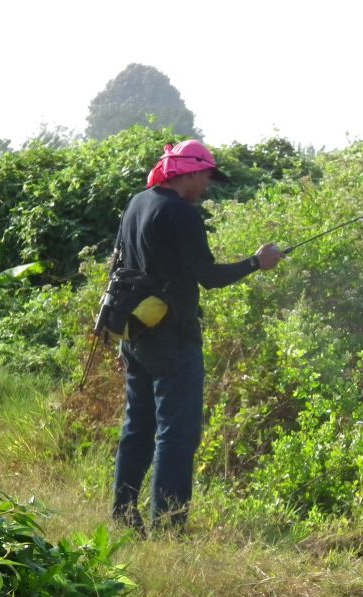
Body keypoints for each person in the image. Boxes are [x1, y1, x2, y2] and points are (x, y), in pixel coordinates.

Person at [111, 139, 283, 534]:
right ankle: (169, 526)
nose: (207, 184)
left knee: (138, 426)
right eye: (206, 175)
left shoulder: (137, 203)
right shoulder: (181, 214)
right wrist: (257, 262)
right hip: (173, 337)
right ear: (187, 172)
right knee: (177, 432)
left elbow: (119, 264)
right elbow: (209, 278)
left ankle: (123, 513)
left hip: (134, 333)